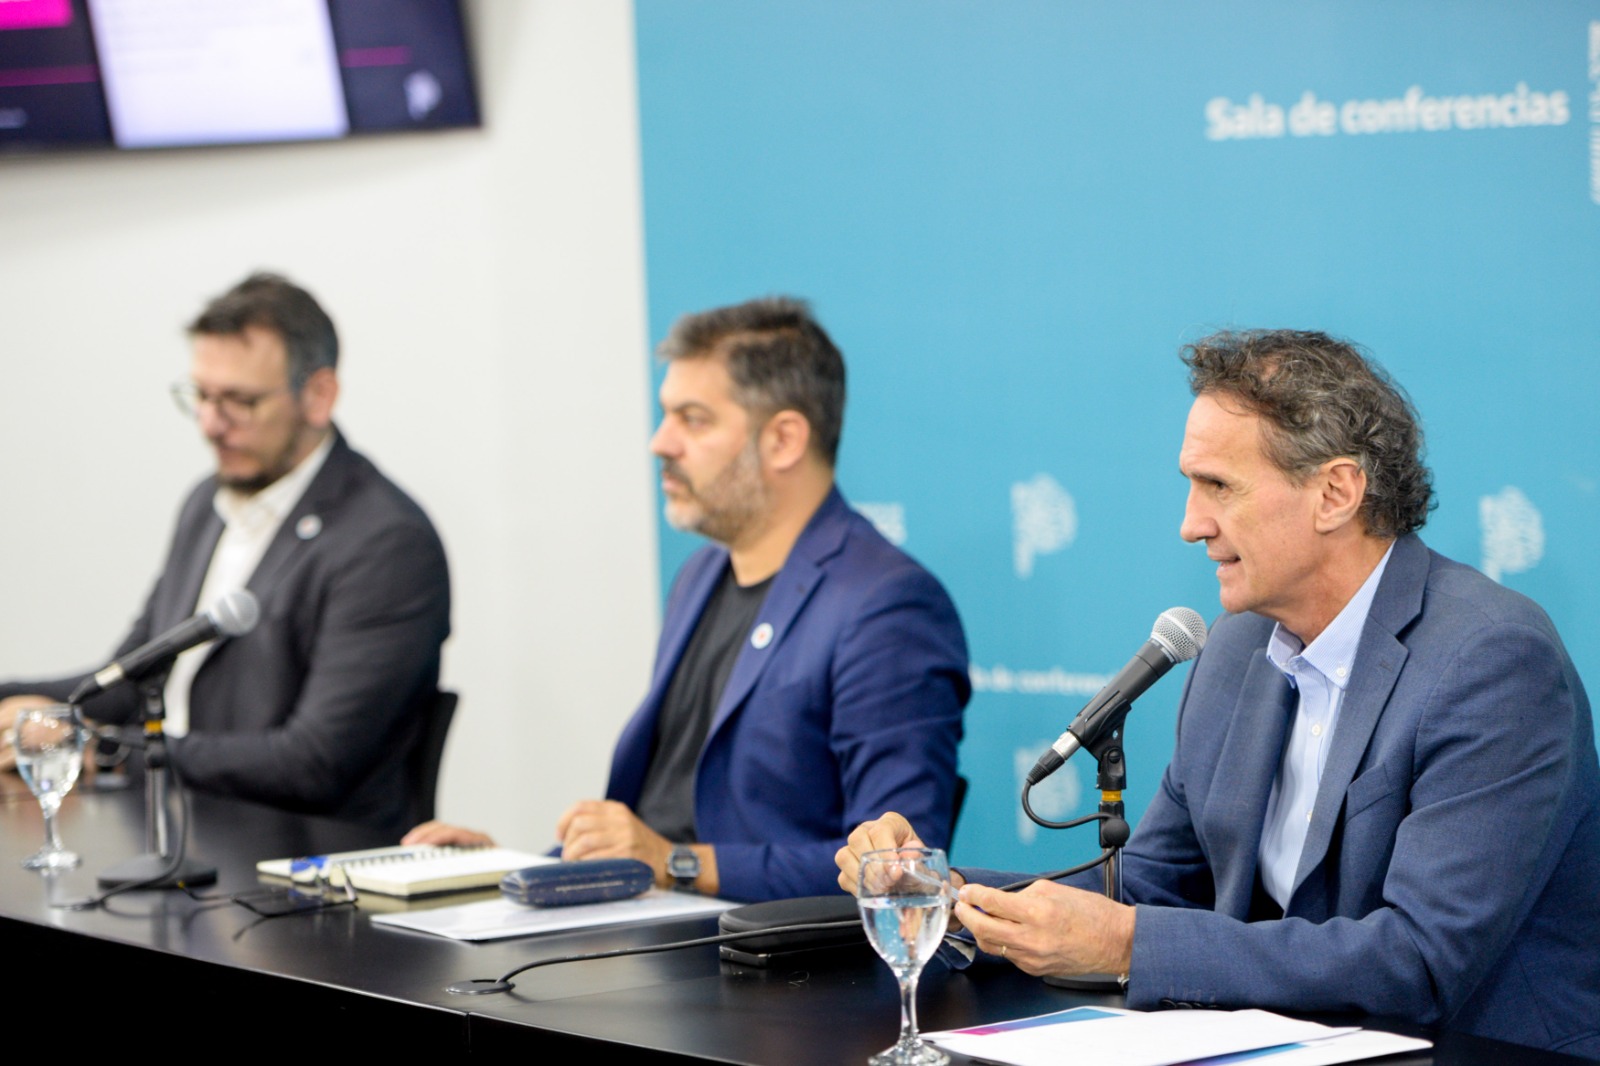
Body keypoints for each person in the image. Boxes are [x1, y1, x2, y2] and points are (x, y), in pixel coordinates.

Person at [838, 330, 1600, 1056]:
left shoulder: (1490, 661)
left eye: (1219, 487)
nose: (1190, 525)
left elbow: (1419, 960)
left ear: (1335, 493)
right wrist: (941, 891)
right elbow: (1154, 889)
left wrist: (1127, 946)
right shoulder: (1236, 648)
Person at [409, 296, 969, 902]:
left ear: (783, 440)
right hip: (646, 920)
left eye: (693, 420)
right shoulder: (699, 575)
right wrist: (507, 871)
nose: (661, 442)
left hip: (755, 950)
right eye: (665, 416)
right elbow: (657, 820)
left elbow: (900, 870)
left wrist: (675, 862)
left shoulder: (886, 604)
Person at [0, 272, 451, 837]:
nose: (211, 425)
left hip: (299, 857)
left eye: (240, 401)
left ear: (318, 396)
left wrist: (103, 747)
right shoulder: (206, 504)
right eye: (202, 397)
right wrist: (18, 702)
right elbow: (129, 676)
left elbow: (313, 762)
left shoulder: (385, 542)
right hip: (180, 830)